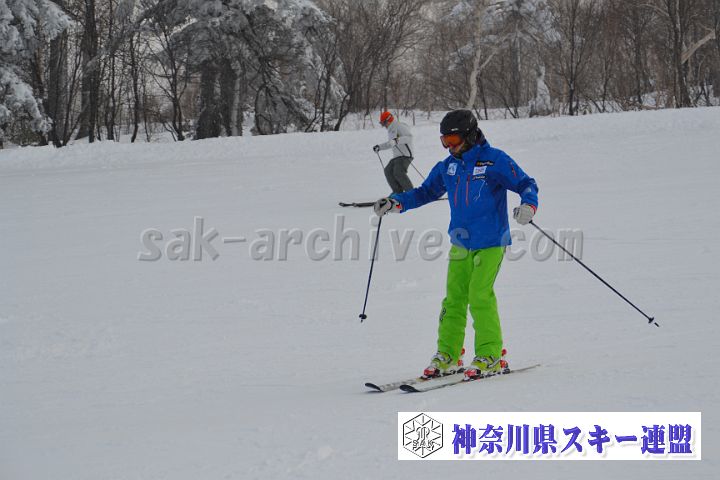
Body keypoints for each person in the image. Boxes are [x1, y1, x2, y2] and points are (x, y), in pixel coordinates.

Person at [373, 109, 539, 380]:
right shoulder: (448, 167)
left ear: (470, 136)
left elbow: (525, 183)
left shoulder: (494, 160)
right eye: (444, 141)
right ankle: (448, 354)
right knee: (454, 299)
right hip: (461, 242)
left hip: (491, 241)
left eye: (453, 140)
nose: (449, 147)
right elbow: (425, 192)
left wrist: (528, 206)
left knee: (479, 295)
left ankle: (490, 354)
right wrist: (396, 202)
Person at [373, 111, 414, 193]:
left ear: (388, 120)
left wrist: (397, 140)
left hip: (405, 155)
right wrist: (379, 147)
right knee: (388, 171)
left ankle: (411, 193)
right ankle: (397, 192)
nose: (383, 126)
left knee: (398, 172)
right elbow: (391, 143)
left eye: (384, 123)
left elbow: (409, 137)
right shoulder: (391, 130)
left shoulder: (399, 126)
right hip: (397, 156)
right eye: (382, 123)